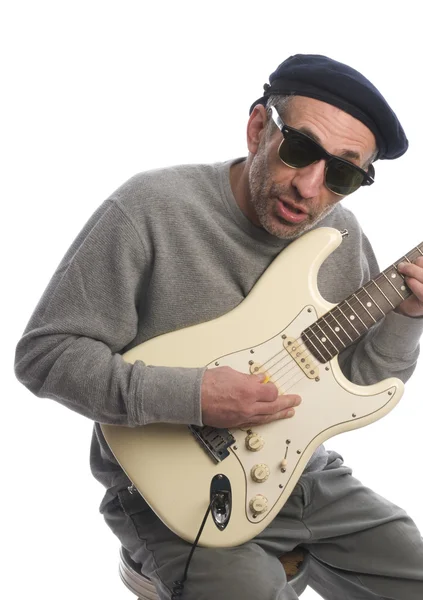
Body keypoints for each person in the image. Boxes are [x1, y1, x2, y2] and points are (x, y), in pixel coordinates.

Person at [15, 54, 423, 599]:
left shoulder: (339, 237)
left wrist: (409, 317)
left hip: (303, 478)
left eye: (343, 173)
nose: (310, 188)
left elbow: (357, 383)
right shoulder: (150, 208)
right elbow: (46, 355)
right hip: (170, 491)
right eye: (299, 149)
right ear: (258, 128)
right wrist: (194, 396)